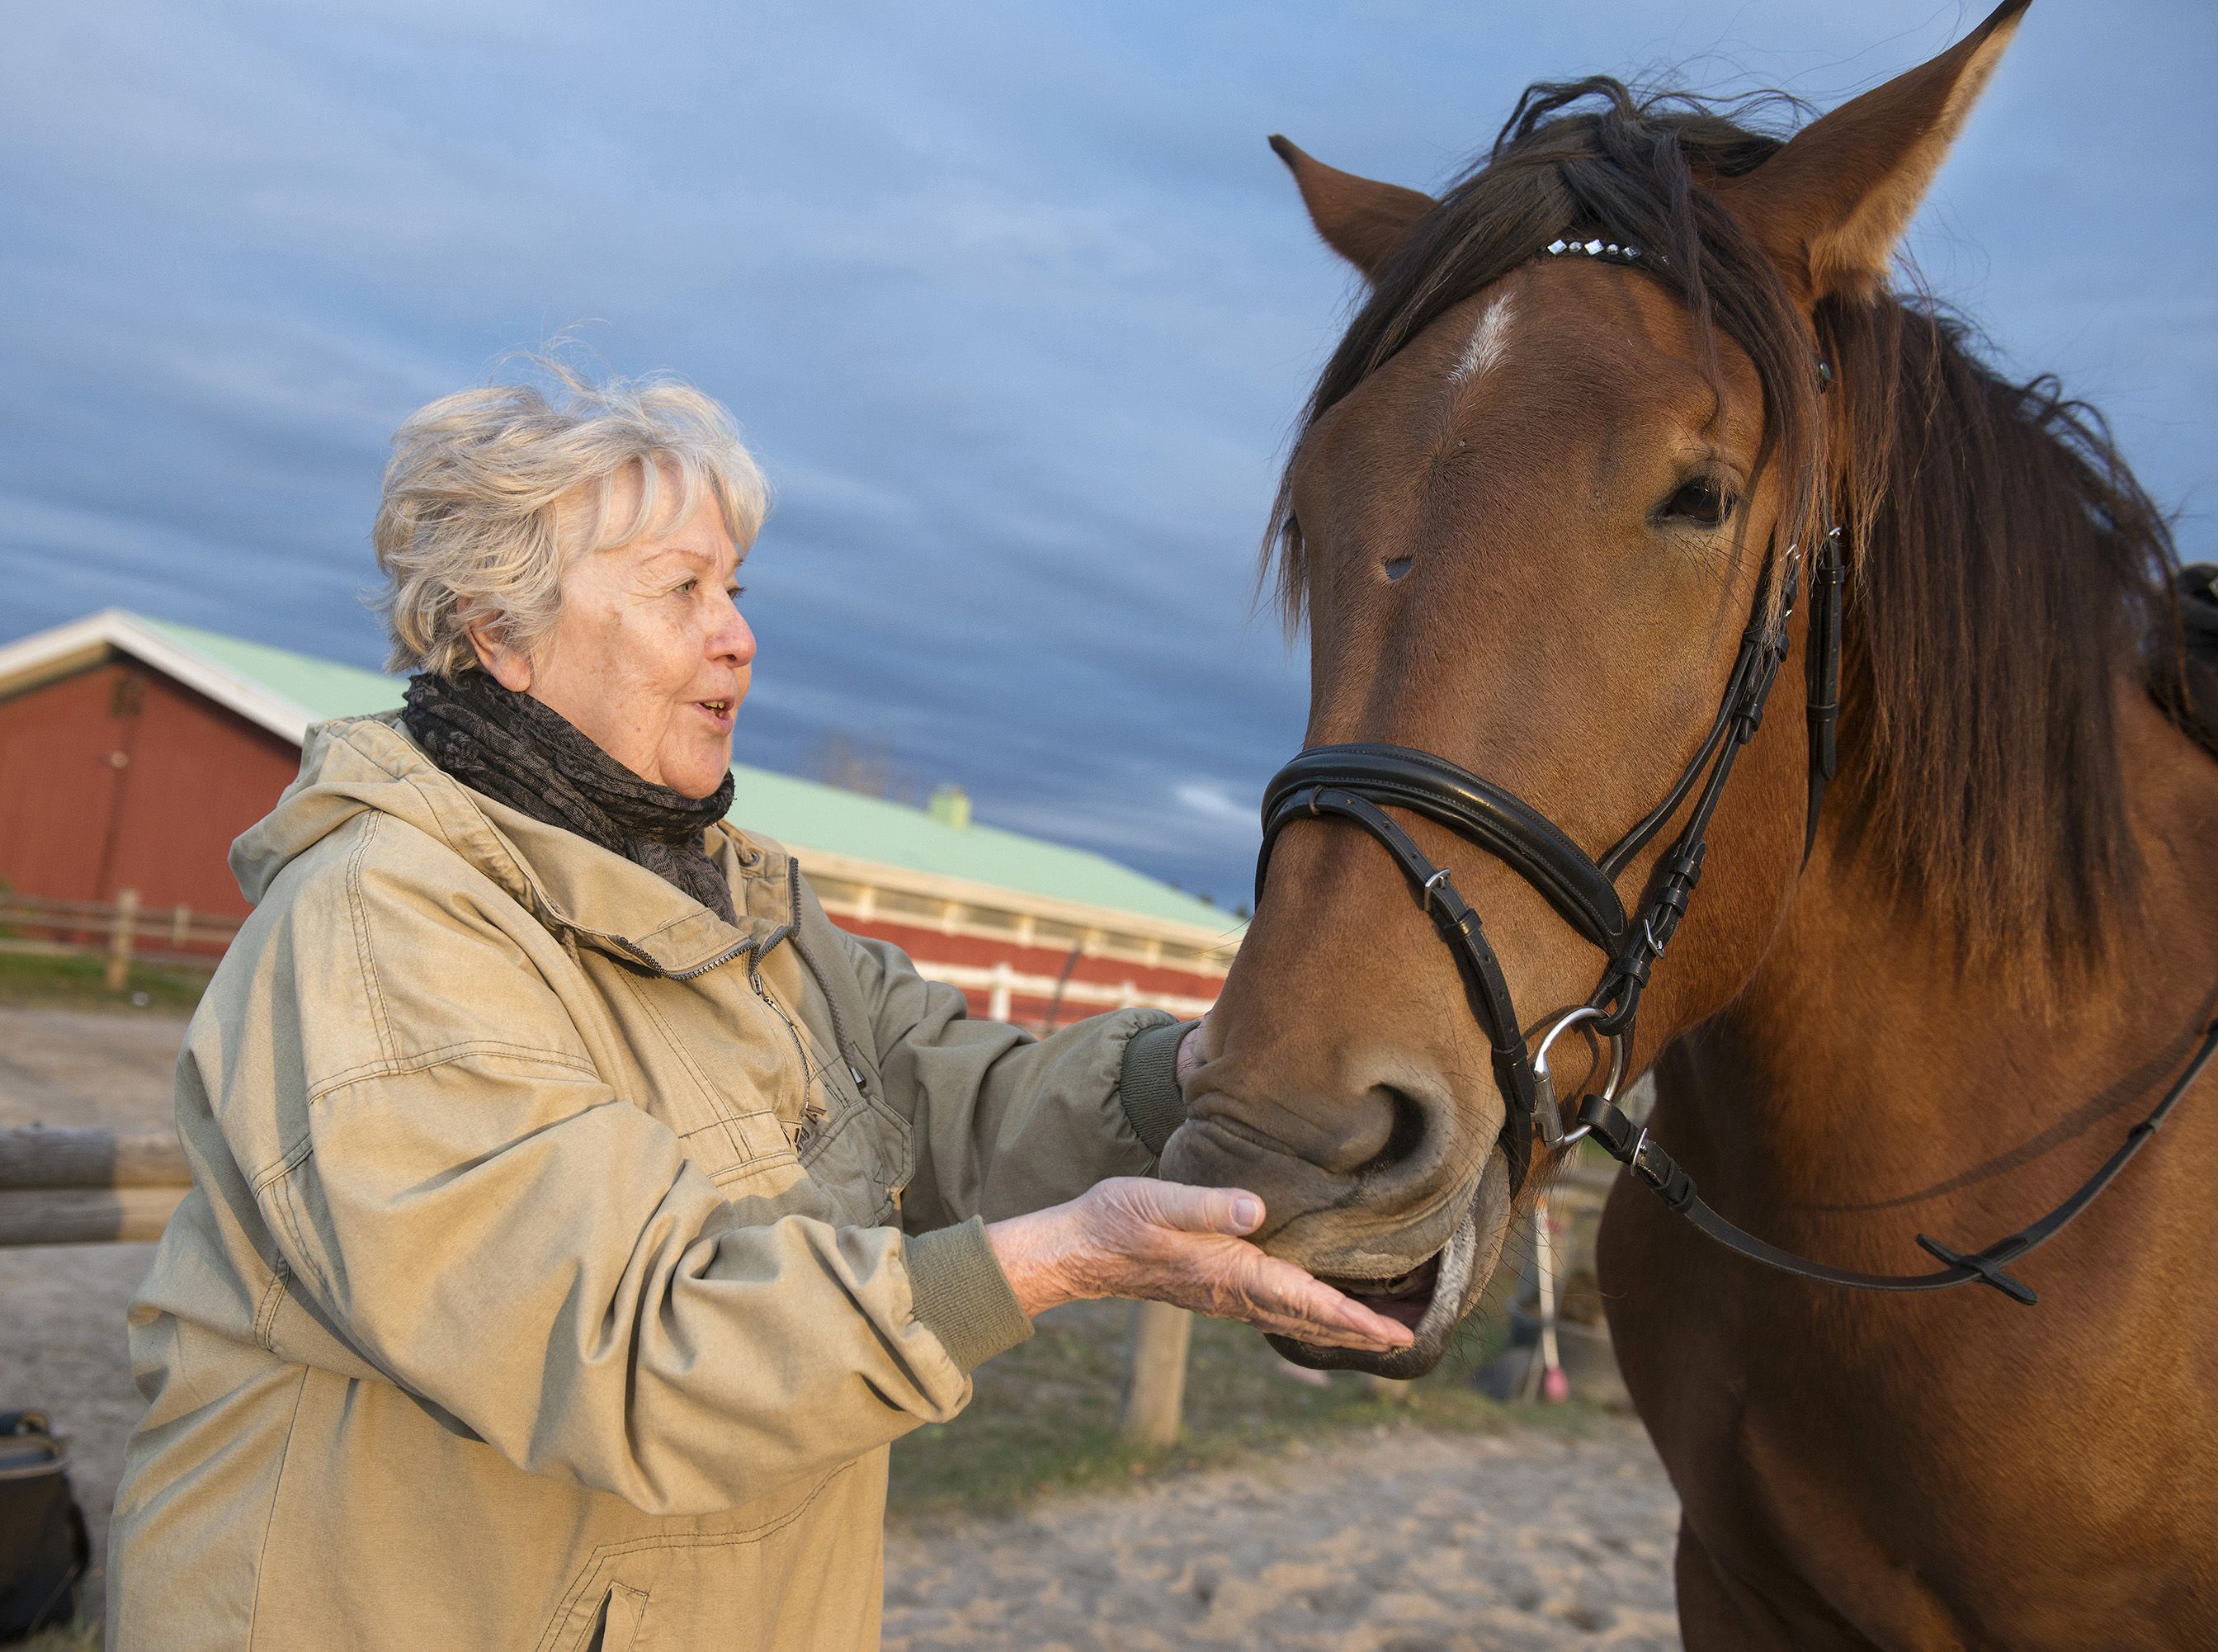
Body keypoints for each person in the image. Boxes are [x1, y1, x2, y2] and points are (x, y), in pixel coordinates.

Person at [107, 366, 1407, 1651]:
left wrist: (1211, 1068)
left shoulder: (736, 905)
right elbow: (624, 1341)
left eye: (733, 589)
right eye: (681, 589)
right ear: (497, 633)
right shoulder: (385, 920)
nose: (737, 634)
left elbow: (946, 1088)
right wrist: (1052, 1261)